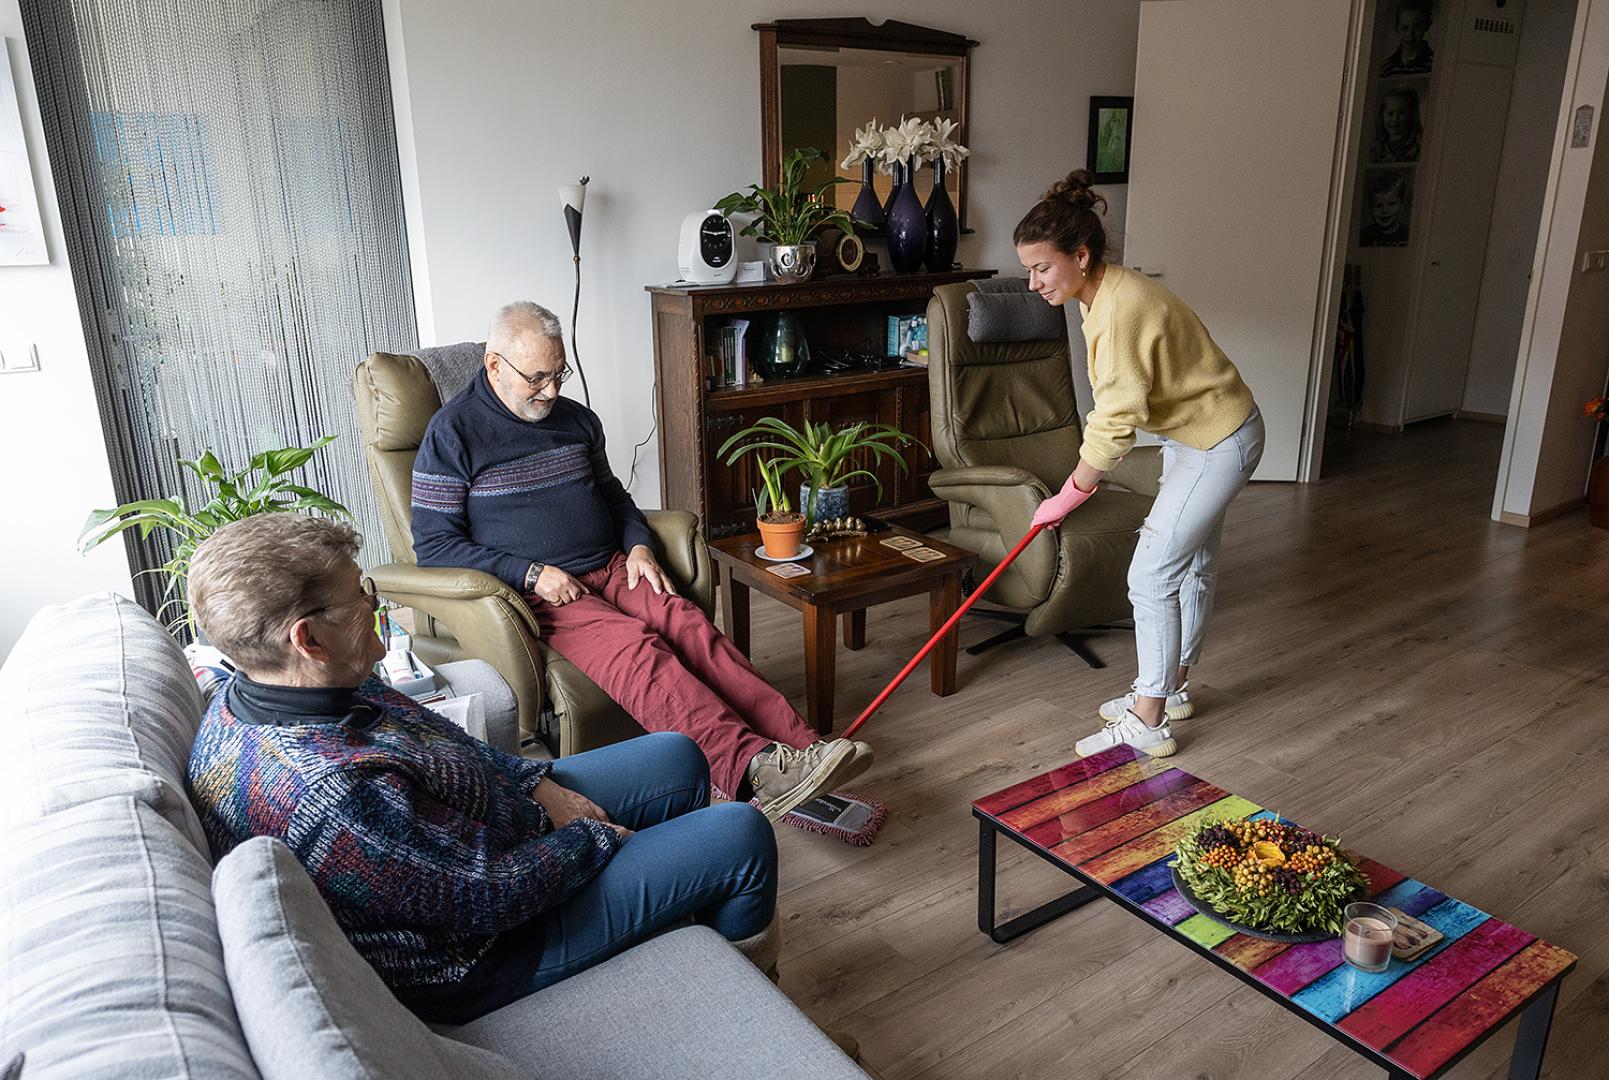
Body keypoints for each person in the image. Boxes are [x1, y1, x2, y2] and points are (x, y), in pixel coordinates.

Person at [184, 513, 781, 1025]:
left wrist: (536, 782)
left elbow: (443, 741)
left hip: (495, 836)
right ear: (307, 638)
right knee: (741, 836)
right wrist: (592, 840)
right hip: (487, 949)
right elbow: (484, 898)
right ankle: (755, 1011)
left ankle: (687, 924)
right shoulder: (328, 794)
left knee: (679, 754)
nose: (376, 603)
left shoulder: (304, 686)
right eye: (360, 595)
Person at [411, 301, 870, 820]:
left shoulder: (576, 421)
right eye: (537, 378)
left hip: (613, 566)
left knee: (692, 628)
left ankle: (803, 748)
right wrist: (531, 573)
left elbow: (615, 496)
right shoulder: (451, 435)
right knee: (637, 650)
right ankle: (754, 766)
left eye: (559, 374)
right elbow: (434, 545)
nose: (553, 391)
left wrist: (638, 545)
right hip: (548, 594)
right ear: (494, 365)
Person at [1015, 170, 1264, 759]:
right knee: (1192, 562)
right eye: (1029, 269)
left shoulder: (1120, 308)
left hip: (1217, 441)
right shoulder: (1098, 293)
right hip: (1200, 434)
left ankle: (1148, 718)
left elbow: (1115, 416)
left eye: (1042, 267)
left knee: (1151, 574)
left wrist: (1070, 493)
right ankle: (1170, 687)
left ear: (1080, 255)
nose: (1032, 283)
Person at [1379, 0, 1434, 77]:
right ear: (1396, 29)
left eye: (1417, 27)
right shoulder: (1387, 67)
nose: (1410, 34)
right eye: (1404, 28)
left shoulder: (1432, 63)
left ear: (1426, 26)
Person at [1369, 85, 1423, 164]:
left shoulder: (1417, 145)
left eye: (1401, 113)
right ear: (1382, 115)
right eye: (1390, 114)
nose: (1395, 119)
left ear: (1410, 115)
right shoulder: (1377, 147)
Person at [1360, 170, 1410, 247]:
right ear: (1370, 207)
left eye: (1391, 204)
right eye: (1379, 205)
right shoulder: (1364, 236)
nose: (1384, 210)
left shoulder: (1407, 236)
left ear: (1401, 205)